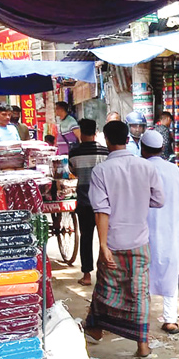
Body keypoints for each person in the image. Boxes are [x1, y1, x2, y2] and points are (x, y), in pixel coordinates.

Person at [83, 120, 165, 359]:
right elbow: (159, 200)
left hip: (113, 241)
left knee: (106, 290)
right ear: (129, 139)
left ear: (106, 140)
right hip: (139, 240)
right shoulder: (146, 167)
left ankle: (96, 329)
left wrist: (102, 245)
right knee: (139, 292)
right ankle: (142, 345)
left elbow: (101, 210)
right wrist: (138, 200)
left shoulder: (101, 171)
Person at [142, 129, 179, 335]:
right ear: (162, 148)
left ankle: (142, 318)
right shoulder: (174, 170)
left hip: (145, 228)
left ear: (143, 149)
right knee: (170, 271)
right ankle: (170, 319)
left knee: (144, 273)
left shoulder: (140, 168)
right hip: (171, 227)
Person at [68, 119, 109, 287]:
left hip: (84, 200)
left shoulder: (74, 152)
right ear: (96, 132)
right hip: (103, 202)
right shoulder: (105, 152)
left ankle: (86, 275)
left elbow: (73, 171)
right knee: (105, 238)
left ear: (81, 133)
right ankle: (105, 274)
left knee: (86, 237)